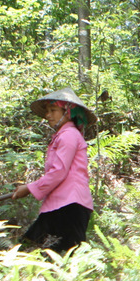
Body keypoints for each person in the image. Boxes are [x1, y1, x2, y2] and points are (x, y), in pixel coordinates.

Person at [12, 88, 94, 253]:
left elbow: (59, 172)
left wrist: (29, 188)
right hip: (60, 204)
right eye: (47, 111)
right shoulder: (63, 135)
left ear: (68, 112)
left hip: (69, 205)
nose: (48, 115)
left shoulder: (69, 135)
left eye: (53, 110)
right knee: (33, 251)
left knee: (48, 253)